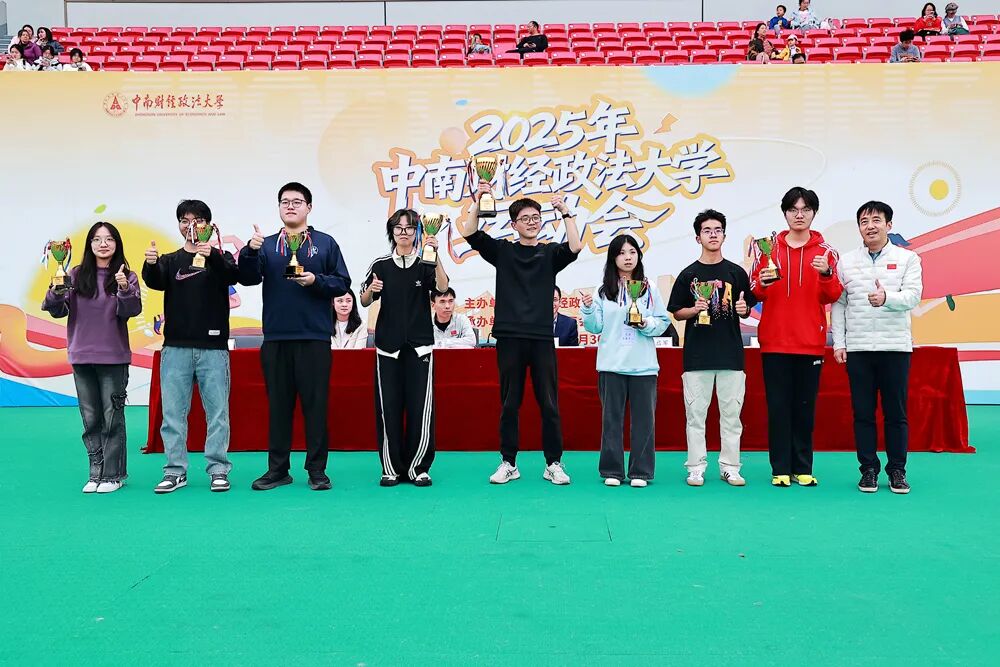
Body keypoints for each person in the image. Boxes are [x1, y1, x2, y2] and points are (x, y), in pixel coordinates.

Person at [457, 183, 583, 485]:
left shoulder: (549, 253)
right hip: (510, 336)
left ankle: (553, 463)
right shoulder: (503, 251)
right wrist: (478, 200)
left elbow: (575, 247)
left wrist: (566, 213)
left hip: (541, 337)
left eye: (536, 217)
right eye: (525, 218)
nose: (532, 222)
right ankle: (508, 463)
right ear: (514, 224)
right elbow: (470, 233)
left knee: (549, 403)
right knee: (510, 403)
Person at [238, 182, 351, 491]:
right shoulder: (266, 245)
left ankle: (317, 470)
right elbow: (248, 278)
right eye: (285, 201)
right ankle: (278, 470)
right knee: (278, 407)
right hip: (276, 338)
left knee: (316, 406)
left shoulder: (325, 243)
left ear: (309, 207)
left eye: (297, 201)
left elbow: (342, 283)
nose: (290, 206)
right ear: (279, 207)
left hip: (314, 337)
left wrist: (316, 281)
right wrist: (250, 252)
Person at [143, 200, 241, 494]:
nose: (191, 226)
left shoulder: (220, 258)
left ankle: (218, 469)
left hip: (213, 348)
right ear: (179, 225)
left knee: (218, 413)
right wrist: (150, 264)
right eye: (184, 220)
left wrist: (212, 255)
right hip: (176, 348)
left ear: (208, 225)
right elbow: (155, 281)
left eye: (197, 220)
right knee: (173, 414)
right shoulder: (170, 260)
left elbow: (233, 276)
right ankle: (175, 471)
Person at [750, 187, 842, 488]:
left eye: (805, 209)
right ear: (785, 213)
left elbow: (834, 294)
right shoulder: (768, 250)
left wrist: (826, 274)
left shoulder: (827, 252)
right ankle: (779, 468)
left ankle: (803, 467)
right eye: (793, 209)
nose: (799, 215)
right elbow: (754, 292)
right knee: (778, 408)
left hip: (810, 343)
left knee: (804, 409)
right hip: (775, 342)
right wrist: (762, 285)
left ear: (814, 213)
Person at [42, 222, 141, 494]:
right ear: (89, 245)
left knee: (112, 417)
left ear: (117, 244)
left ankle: (113, 474)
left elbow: (131, 310)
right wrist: (56, 290)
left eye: (109, 239)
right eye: (97, 239)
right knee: (90, 418)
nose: (103, 244)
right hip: (81, 355)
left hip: (113, 357)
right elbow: (56, 310)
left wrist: (124, 288)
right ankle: (95, 472)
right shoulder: (74, 274)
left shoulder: (127, 276)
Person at [833, 201, 923, 495]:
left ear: (889, 225)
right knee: (863, 413)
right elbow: (839, 304)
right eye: (864, 221)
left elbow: (913, 296)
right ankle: (868, 470)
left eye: (876, 220)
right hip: (859, 349)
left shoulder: (908, 259)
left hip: (895, 347)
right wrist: (840, 342)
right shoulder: (846, 261)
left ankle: (897, 470)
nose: (870, 226)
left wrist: (887, 299)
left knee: (896, 414)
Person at [668, 210, 757, 488]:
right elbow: (676, 312)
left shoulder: (736, 273)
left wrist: (743, 309)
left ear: (724, 236)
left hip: (731, 356)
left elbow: (746, 307)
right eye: (707, 230)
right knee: (696, 417)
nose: (713, 234)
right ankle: (696, 467)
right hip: (697, 357)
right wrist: (694, 309)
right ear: (698, 237)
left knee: (731, 417)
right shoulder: (688, 275)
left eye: (718, 230)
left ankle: (730, 467)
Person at [360, 209, 449, 486]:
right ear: (392, 232)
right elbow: (364, 300)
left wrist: (436, 254)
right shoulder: (381, 265)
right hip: (388, 347)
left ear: (417, 232)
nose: (404, 233)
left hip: (420, 347)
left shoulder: (425, 263)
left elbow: (442, 287)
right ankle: (391, 468)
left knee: (421, 408)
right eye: (398, 228)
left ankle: (418, 468)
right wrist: (372, 289)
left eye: (409, 228)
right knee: (389, 408)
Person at [580, 235, 668, 487]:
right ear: (613, 258)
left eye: (632, 252)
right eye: (621, 253)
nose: (628, 257)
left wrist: (645, 323)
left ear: (639, 256)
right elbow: (595, 327)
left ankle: (641, 472)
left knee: (644, 422)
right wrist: (588, 309)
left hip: (643, 366)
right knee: (611, 420)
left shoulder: (649, 287)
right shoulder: (603, 291)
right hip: (611, 365)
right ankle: (612, 470)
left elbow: (662, 321)